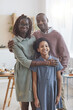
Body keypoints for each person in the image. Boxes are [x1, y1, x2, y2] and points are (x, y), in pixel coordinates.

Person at [8, 13, 70, 110]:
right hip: (39, 72)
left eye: (43, 20)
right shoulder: (35, 35)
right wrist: (11, 47)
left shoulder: (57, 35)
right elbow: (26, 45)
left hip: (54, 72)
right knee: (40, 102)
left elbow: (65, 54)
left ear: (47, 20)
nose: (41, 23)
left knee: (59, 102)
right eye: (38, 21)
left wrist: (60, 71)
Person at [30, 37, 63, 110]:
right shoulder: (36, 63)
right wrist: (36, 98)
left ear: (49, 48)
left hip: (53, 92)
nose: (44, 48)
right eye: (41, 46)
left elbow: (59, 79)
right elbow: (34, 82)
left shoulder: (55, 61)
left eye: (46, 46)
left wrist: (58, 95)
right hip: (41, 93)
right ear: (38, 50)